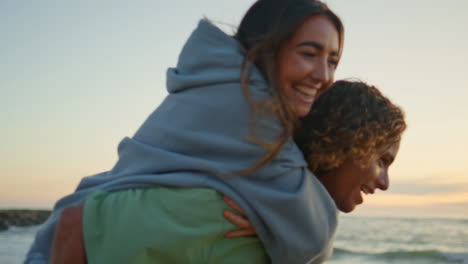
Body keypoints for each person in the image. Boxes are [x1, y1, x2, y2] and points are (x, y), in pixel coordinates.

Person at [26, 1, 344, 263]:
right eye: (309, 54)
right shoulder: (249, 106)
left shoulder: (217, 82)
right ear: (268, 47)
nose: (323, 75)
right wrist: (274, 221)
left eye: (332, 60)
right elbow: (313, 238)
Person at [224, 80, 407, 237]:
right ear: (348, 142)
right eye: (382, 161)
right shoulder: (239, 212)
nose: (385, 183)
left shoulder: (284, 224)